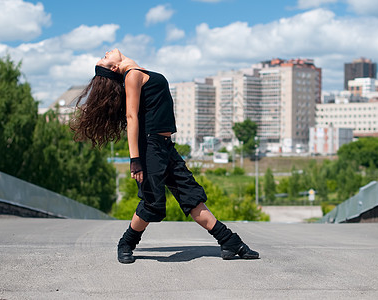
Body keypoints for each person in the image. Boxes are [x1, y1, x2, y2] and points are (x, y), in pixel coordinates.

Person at [71, 49, 259, 264]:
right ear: (114, 68)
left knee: (191, 195)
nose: (105, 53)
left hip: (164, 146)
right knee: (152, 202)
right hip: (150, 146)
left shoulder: (138, 72)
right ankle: (126, 243)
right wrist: (135, 160)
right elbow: (131, 118)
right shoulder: (131, 75)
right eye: (104, 59)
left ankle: (229, 241)